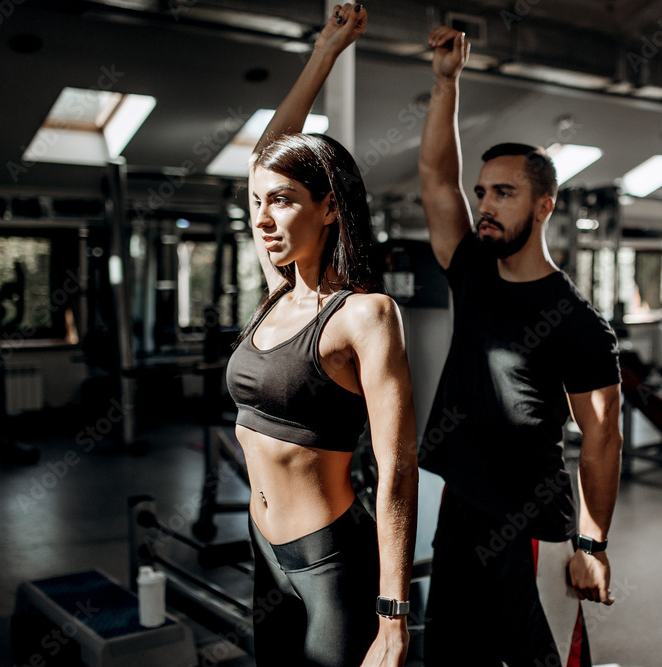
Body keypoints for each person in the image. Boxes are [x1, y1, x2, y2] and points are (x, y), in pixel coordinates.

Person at [418, 27, 623, 666]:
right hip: (459, 507)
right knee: (451, 657)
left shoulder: (577, 323)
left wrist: (590, 546)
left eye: (503, 193)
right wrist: (446, 82)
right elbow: (434, 174)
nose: (485, 205)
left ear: (543, 207)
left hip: (529, 525)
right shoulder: (472, 270)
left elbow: (602, 438)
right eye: (483, 192)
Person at [225, 5, 417, 666]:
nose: (263, 218)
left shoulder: (365, 314)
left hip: (330, 564)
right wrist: (324, 51)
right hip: (263, 550)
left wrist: (393, 615)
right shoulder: (278, 290)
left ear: (329, 206)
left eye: (282, 200)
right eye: (256, 202)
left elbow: (396, 468)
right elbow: (265, 156)